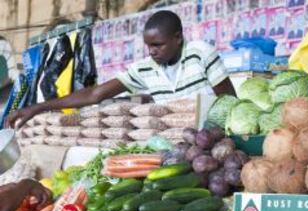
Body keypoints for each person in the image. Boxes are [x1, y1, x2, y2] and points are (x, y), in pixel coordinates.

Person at [7, 10, 236, 129]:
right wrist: (37, 108)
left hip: (213, 138)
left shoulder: (200, 52)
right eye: (148, 46)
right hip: (178, 143)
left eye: (158, 45)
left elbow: (229, 100)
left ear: (177, 38)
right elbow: (95, 94)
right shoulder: (145, 69)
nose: (152, 52)